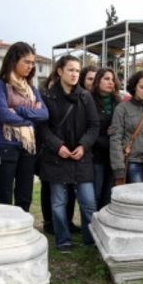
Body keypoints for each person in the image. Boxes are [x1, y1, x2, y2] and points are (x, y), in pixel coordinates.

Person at [39, 56, 100, 253]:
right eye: (70, 70)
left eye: (77, 70)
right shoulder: (47, 96)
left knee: (88, 202)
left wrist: (83, 145)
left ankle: (90, 241)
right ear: (60, 71)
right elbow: (43, 128)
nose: (74, 74)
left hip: (81, 157)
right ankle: (63, 241)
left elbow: (94, 126)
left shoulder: (85, 96)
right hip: (56, 157)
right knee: (58, 203)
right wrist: (58, 146)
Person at [0, 42, 49, 211]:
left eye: (32, 63)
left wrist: (19, 111)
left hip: (28, 146)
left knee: (25, 193)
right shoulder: (0, 85)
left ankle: (22, 228)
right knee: (3, 193)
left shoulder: (31, 88)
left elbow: (45, 114)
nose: (30, 67)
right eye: (26, 62)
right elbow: (3, 114)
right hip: (6, 145)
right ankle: (1, 230)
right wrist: (31, 117)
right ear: (13, 60)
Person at [90, 67, 122, 208]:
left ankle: (104, 223)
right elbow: (88, 128)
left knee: (109, 193)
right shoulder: (89, 100)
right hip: (96, 154)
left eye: (113, 80)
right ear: (98, 81)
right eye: (106, 79)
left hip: (114, 155)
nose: (111, 82)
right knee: (95, 192)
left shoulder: (118, 103)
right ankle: (93, 223)